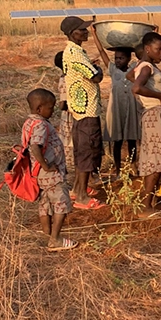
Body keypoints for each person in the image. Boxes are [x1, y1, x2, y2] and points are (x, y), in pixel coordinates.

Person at [60, 16, 105, 209]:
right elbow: (95, 77)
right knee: (88, 152)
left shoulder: (73, 52)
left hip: (79, 109)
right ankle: (81, 197)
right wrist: (98, 69)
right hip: (87, 110)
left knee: (82, 152)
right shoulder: (75, 53)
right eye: (82, 30)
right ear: (72, 33)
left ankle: (79, 188)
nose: (85, 32)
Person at [23, 88, 77, 251]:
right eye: (50, 107)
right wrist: (46, 165)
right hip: (50, 172)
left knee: (45, 204)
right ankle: (55, 239)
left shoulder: (29, 122)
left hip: (38, 173)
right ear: (39, 108)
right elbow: (35, 146)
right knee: (61, 202)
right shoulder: (40, 125)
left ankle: (47, 236)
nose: (53, 110)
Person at [131, 32, 161, 214]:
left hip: (153, 116)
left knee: (154, 161)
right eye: (159, 49)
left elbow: (131, 78)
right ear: (147, 49)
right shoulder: (146, 67)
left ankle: (147, 203)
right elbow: (136, 87)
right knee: (157, 163)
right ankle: (146, 206)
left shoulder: (142, 66)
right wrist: (160, 96)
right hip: (154, 116)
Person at [92, 31, 139, 179]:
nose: (118, 60)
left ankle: (133, 167)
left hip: (131, 108)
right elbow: (101, 51)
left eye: (121, 58)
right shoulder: (113, 70)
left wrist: (153, 33)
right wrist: (95, 35)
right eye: (116, 58)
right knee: (117, 140)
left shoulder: (135, 69)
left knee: (132, 140)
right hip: (117, 109)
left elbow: (145, 54)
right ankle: (119, 170)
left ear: (129, 58)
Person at [53, 51, 75, 182]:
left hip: (67, 116)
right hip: (71, 114)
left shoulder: (64, 78)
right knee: (71, 144)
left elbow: (62, 105)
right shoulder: (68, 79)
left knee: (67, 143)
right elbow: (63, 104)